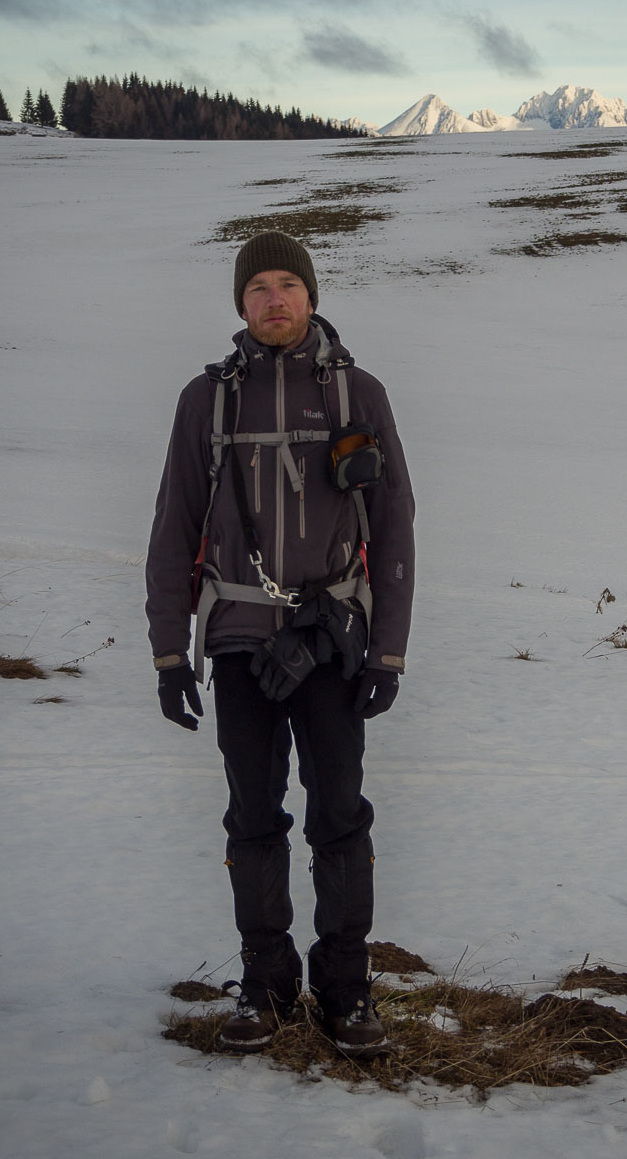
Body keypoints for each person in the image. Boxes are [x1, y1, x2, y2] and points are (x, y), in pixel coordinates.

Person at [145, 230, 415, 1055]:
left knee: (339, 815)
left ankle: (347, 990)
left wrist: (389, 651)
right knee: (252, 817)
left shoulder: (357, 393)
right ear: (240, 302)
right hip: (235, 641)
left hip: (333, 640)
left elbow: (396, 525)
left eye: (287, 284)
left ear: (310, 295)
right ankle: (264, 985)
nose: (273, 299)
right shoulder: (208, 400)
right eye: (257, 286)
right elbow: (173, 526)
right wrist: (167, 652)